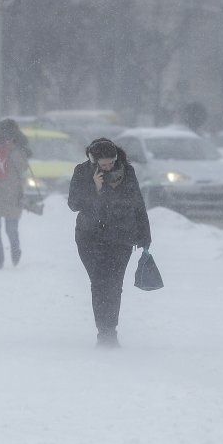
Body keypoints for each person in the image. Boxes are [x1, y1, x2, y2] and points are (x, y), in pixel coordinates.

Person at [68, 138, 151, 348]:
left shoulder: (127, 172)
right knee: (99, 282)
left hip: (121, 236)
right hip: (90, 237)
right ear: (93, 161)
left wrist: (145, 234)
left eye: (110, 163)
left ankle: (110, 330)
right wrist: (94, 188)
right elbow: (74, 204)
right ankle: (103, 330)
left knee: (114, 285)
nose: (107, 167)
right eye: (103, 164)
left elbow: (137, 203)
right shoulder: (82, 172)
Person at [0, 119, 31, 269]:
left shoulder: (17, 151)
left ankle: (13, 253)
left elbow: (23, 168)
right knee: (0, 229)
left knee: (6, 229)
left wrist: (14, 151)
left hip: (9, 195)